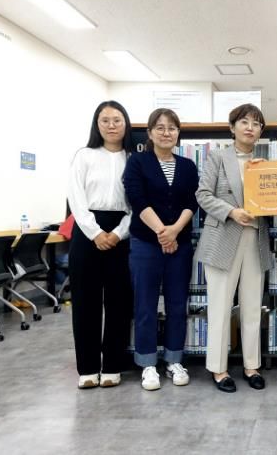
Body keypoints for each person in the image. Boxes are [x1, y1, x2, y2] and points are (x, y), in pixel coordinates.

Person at [195, 104, 272, 393]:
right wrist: (231, 211)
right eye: (244, 122)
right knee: (220, 307)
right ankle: (219, 369)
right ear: (232, 127)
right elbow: (202, 194)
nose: (250, 128)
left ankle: (252, 366)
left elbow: (275, 200)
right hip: (223, 238)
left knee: (252, 307)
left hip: (256, 240)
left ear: (261, 131)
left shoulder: (265, 164)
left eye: (256, 123)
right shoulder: (217, 157)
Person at [123, 108, 199, 391]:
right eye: (160, 127)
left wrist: (174, 231)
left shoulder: (188, 166)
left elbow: (192, 202)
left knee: (178, 303)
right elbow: (137, 199)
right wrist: (162, 233)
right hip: (145, 243)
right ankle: (148, 364)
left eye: (172, 128)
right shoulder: (137, 162)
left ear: (178, 133)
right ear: (150, 133)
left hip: (180, 243)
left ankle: (174, 360)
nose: (166, 133)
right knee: (145, 304)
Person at [67, 100, 134, 389]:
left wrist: (118, 233)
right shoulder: (84, 156)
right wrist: (95, 233)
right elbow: (76, 198)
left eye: (117, 120)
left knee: (119, 302)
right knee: (86, 302)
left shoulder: (133, 158)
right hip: (86, 232)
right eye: (105, 120)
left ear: (126, 124)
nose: (111, 125)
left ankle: (112, 367)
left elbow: (137, 204)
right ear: (97, 125)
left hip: (122, 232)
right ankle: (87, 368)